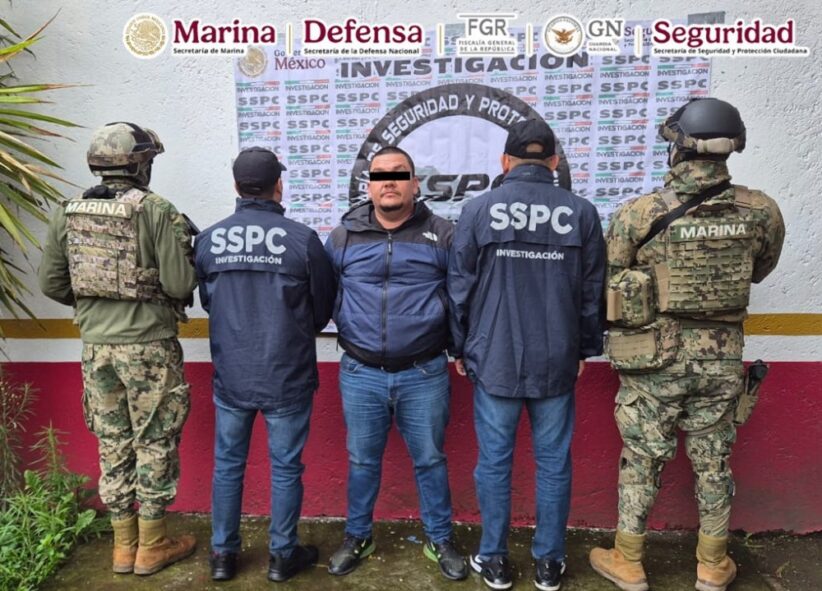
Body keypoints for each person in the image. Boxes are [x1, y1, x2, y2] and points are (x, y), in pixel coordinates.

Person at [589, 98, 785, 591]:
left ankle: (628, 559)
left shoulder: (640, 213)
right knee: (713, 460)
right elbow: (760, 270)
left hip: (653, 357)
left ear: (677, 146)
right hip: (721, 358)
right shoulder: (761, 211)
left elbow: (610, 277)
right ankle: (712, 564)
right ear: (732, 146)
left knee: (642, 455)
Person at [448, 118, 606, 591]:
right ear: (553, 162)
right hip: (556, 359)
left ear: (505, 161)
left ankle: (494, 559)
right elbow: (592, 291)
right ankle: (549, 563)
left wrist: (459, 346)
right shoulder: (581, 213)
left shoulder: (478, 210)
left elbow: (459, 288)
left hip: (493, 358)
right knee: (553, 463)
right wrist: (584, 347)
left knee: (494, 462)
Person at [38, 122, 197, 576]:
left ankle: (123, 547)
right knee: (154, 440)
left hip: (96, 350)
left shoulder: (68, 211)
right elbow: (179, 284)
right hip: (149, 349)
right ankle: (153, 544)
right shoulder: (157, 210)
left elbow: (51, 283)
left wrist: (93, 304)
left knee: (112, 441)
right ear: (141, 164)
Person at [323, 146, 467, 581]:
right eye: (380, 175)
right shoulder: (343, 237)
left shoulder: (443, 234)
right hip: (360, 372)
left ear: (415, 184)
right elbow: (325, 293)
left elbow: (461, 297)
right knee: (362, 461)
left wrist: (459, 348)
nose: (390, 182)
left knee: (430, 460)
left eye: (400, 174)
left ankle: (440, 539)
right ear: (368, 186)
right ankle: (357, 536)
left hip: (423, 372)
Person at [194, 147, 336, 583]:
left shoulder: (209, 240)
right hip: (286, 375)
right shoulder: (302, 240)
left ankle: (223, 556)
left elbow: (209, 302)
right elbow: (321, 310)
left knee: (227, 464)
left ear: (237, 186)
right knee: (286, 467)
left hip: (232, 376)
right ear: (279, 185)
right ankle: (281, 556)